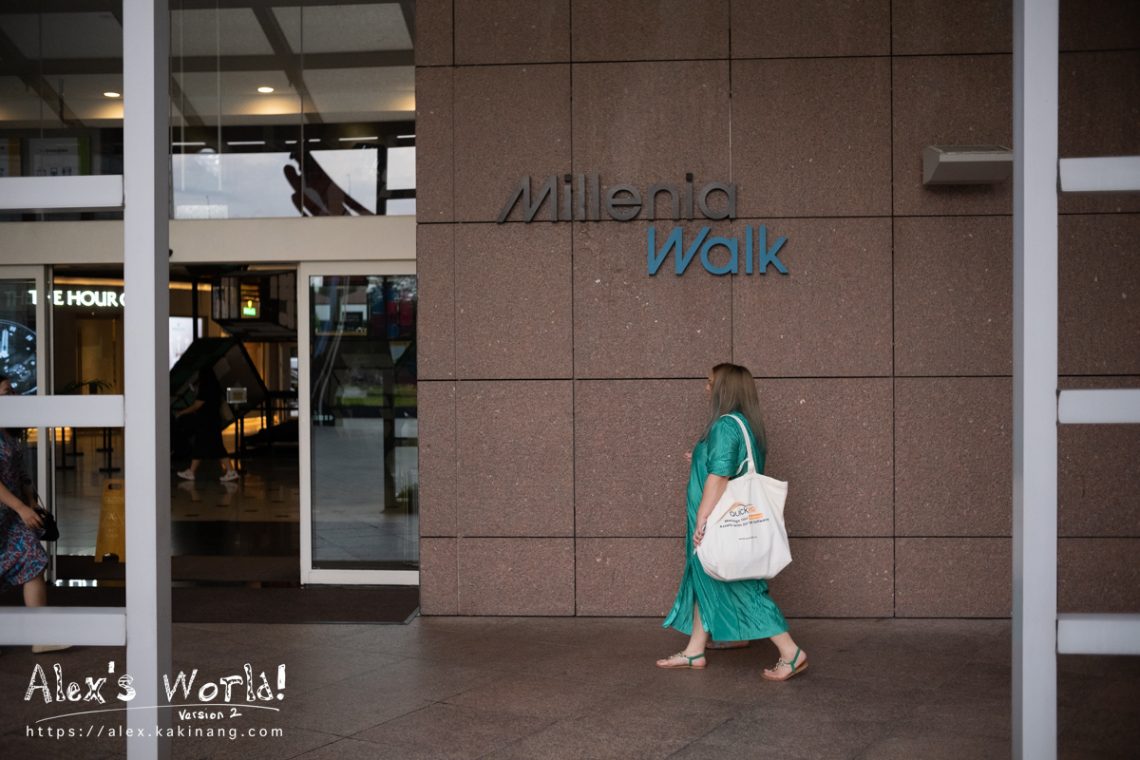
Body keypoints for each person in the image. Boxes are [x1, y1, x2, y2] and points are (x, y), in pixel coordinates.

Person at [657, 363, 807, 680]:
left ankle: (790, 652)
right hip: (719, 519)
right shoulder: (744, 425)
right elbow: (725, 463)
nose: (706, 388)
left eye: (710, 382)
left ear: (724, 388)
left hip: (714, 520)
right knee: (705, 579)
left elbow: (720, 475)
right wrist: (698, 456)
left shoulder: (726, 425)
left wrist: (701, 519)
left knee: (740, 586)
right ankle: (695, 650)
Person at [0, 374, 69, 653]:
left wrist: (30, 502)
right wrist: (21, 508)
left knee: (32, 561)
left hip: (9, 517)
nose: (14, 397)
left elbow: (21, 474)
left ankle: (40, 636)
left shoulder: (10, 434)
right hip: (11, 510)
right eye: (6, 392)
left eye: (13, 391)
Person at [175, 367, 239, 482]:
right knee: (210, 446)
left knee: (208, 446)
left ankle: (230, 471)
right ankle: (229, 471)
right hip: (213, 421)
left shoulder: (205, 388)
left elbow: (197, 405)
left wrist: (181, 412)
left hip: (206, 423)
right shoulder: (215, 388)